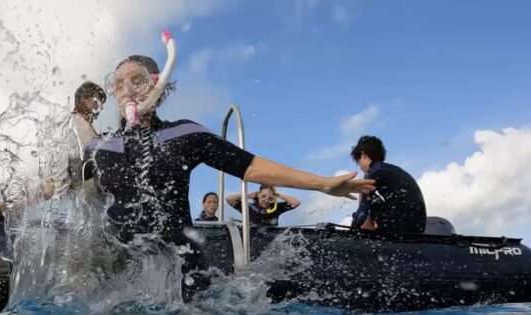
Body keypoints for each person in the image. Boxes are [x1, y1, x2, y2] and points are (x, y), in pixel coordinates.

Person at [82, 54, 375, 300]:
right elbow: (69, 187)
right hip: (122, 278)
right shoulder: (99, 148)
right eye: (119, 85)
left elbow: (250, 166)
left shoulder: (183, 134)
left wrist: (323, 183)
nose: (127, 91)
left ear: (158, 86)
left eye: (137, 80)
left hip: (181, 277)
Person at [0, 81, 107, 220]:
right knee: (38, 193)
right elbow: (93, 151)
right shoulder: (78, 121)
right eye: (97, 101)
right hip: (74, 183)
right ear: (84, 100)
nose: (100, 107)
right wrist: (120, 143)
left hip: (67, 181)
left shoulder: (72, 121)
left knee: (34, 195)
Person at [349, 135, 426, 233]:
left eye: (358, 161)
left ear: (363, 155)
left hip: (402, 226)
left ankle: (365, 231)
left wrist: (353, 230)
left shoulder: (374, 172)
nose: (360, 167)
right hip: (418, 226)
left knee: (364, 190)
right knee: (368, 192)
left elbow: (364, 207)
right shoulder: (389, 169)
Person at [226, 185, 300, 226]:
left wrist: (279, 195)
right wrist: (247, 195)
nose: (266, 200)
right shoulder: (249, 207)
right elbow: (229, 199)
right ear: (258, 195)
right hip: (252, 241)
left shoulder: (277, 208)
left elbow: (296, 202)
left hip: (271, 244)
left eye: (270, 198)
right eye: (263, 196)